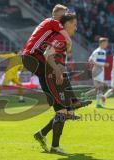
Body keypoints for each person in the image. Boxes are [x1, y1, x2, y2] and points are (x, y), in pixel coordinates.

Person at [22, 13, 91, 155]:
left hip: (47, 73)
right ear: (66, 24)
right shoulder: (60, 36)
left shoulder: (58, 37)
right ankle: (73, 102)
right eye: (74, 24)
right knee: (63, 110)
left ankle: (43, 135)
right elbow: (48, 54)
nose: (76, 28)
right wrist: (58, 71)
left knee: (62, 112)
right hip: (44, 70)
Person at [81, 38, 109, 108]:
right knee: (100, 87)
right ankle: (98, 104)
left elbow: (100, 62)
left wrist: (103, 65)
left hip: (101, 71)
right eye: (106, 43)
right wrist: (101, 65)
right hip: (97, 71)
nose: (107, 44)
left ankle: (85, 95)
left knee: (97, 89)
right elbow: (90, 60)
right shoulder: (97, 51)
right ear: (102, 43)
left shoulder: (104, 52)